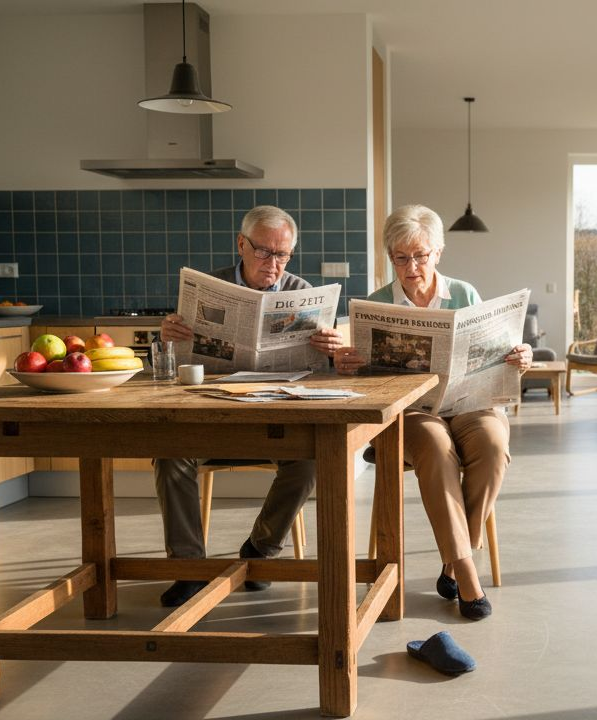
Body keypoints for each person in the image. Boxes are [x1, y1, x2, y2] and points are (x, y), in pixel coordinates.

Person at [334, 204, 532, 620]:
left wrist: (520, 356)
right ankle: (465, 571)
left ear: (438, 252)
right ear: (390, 257)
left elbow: (495, 353)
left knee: (493, 443)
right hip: (412, 412)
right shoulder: (375, 305)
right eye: (400, 258)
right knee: (436, 445)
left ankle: (452, 561)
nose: (411, 267)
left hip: (469, 403)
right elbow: (363, 379)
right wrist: (349, 365)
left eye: (420, 256)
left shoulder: (465, 294)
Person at [154, 205, 345, 607]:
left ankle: (260, 550)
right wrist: (167, 338)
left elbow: (323, 373)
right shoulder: (209, 288)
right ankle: (189, 567)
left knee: (311, 460)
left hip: (276, 420)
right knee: (169, 453)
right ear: (241, 244)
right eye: (263, 252)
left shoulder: (301, 292)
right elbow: (172, 361)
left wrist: (331, 350)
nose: (273, 264)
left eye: (283, 255)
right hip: (213, 417)